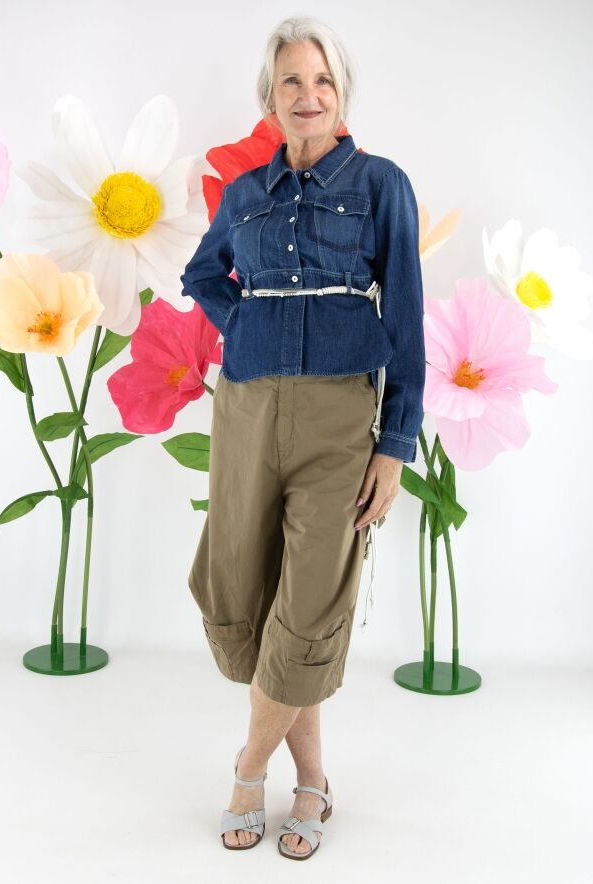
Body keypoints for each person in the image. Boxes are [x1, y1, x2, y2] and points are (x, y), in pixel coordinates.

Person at [180, 15, 426, 860]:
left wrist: (394, 444)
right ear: (271, 97)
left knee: (311, 601)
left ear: (340, 93)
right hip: (246, 410)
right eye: (291, 80)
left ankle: (248, 770)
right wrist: (241, 323)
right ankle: (314, 780)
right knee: (247, 592)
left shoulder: (381, 184)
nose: (308, 95)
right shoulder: (245, 193)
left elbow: (406, 319)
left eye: (322, 81)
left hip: (338, 420)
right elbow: (202, 273)